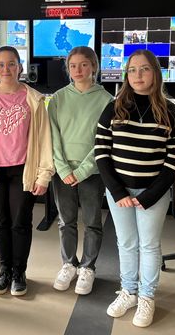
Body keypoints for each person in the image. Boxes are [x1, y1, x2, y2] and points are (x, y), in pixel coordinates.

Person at [95, 49, 175, 327]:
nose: (137, 75)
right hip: (119, 192)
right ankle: (129, 291)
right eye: (132, 70)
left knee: (148, 245)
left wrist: (151, 195)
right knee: (126, 243)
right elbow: (101, 150)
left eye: (144, 69)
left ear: (155, 73)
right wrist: (118, 191)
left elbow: (174, 157)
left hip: (153, 193)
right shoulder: (115, 106)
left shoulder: (169, 110)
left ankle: (147, 296)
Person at [0, 46, 54, 296]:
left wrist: (44, 175)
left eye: (12, 64)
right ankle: (4, 271)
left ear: (20, 67)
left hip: (23, 170)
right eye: (2, 64)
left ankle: (19, 272)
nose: (7, 69)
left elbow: (45, 139)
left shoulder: (34, 100)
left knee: (20, 223)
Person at [48, 46, 113, 295]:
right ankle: (68, 264)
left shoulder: (106, 100)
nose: (78, 70)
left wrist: (84, 170)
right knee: (66, 221)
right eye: (73, 65)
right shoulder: (57, 98)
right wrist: (63, 169)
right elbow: (52, 136)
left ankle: (87, 267)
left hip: (92, 172)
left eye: (84, 64)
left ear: (94, 67)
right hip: (63, 172)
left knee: (93, 222)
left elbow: (103, 141)